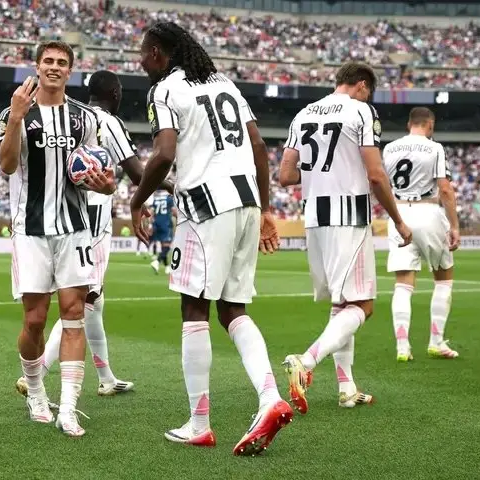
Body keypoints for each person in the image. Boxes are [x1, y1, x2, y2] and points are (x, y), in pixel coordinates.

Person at [130, 22, 293, 456]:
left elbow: (164, 153)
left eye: (144, 53)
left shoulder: (164, 90)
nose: (140, 61)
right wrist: (266, 210)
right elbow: (258, 146)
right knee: (233, 309)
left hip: (205, 204)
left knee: (193, 308)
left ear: (159, 53)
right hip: (247, 201)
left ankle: (199, 423)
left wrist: (136, 200)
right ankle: (270, 396)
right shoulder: (224, 82)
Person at [16, 70, 173, 399]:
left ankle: (106, 378)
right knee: (83, 302)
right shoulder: (107, 121)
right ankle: (38, 370)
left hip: (61, 216)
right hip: (91, 224)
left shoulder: (75, 117)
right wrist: (176, 187)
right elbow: (138, 173)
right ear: (115, 93)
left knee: (94, 301)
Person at [279, 62, 412, 413]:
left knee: (342, 304)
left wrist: (321, 173)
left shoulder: (303, 114)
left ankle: (347, 388)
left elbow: (286, 174)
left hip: (314, 218)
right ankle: (305, 361)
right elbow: (376, 175)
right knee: (363, 305)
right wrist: (398, 220)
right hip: (348, 216)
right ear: (362, 85)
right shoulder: (361, 111)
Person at [0, 41, 115, 437]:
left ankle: (68, 408)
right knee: (34, 321)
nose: (54, 67)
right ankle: (35, 392)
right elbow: (6, 165)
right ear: (37, 66)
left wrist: (107, 185)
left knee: (74, 313)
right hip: (30, 229)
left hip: (75, 227)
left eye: (62, 62)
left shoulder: (85, 118)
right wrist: (16, 117)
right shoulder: (13, 112)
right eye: (48, 60)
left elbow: (99, 170)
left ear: (70, 71)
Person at [382, 107, 460, 361]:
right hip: (428, 211)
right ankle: (436, 341)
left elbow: (381, 183)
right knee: (443, 278)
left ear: (409, 124)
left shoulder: (389, 148)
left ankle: (402, 347)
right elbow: (445, 189)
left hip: (399, 213)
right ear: (430, 124)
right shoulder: (434, 148)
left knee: (403, 284)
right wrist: (455, 225)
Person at [149, 188, 176, 274]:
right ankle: (157, 261)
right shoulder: (169, 198)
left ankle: (167, 267)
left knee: (163, 247)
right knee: (167, 247)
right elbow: (174, 211)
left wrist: (151, 225)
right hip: (166, 224)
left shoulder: (156, 199)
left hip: (157, 224)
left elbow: (151, 213)